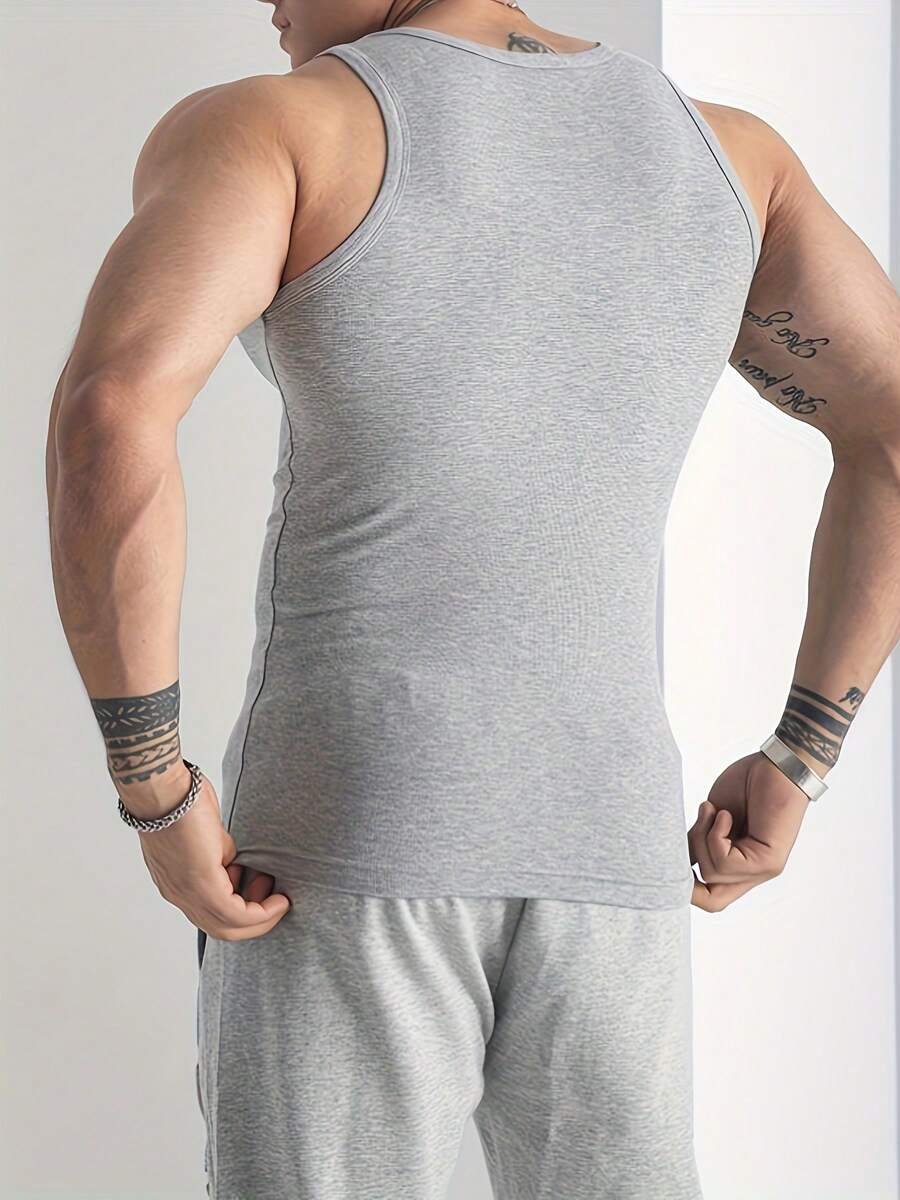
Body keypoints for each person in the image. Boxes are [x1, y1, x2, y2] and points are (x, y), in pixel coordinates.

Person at [45, 0, 900, 1197]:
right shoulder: (730, 158)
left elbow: (109, 413)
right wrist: (801, 756)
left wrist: (152, 784)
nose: (270, 2)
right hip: (614, 851)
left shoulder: (279, 129)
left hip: (346, 840)